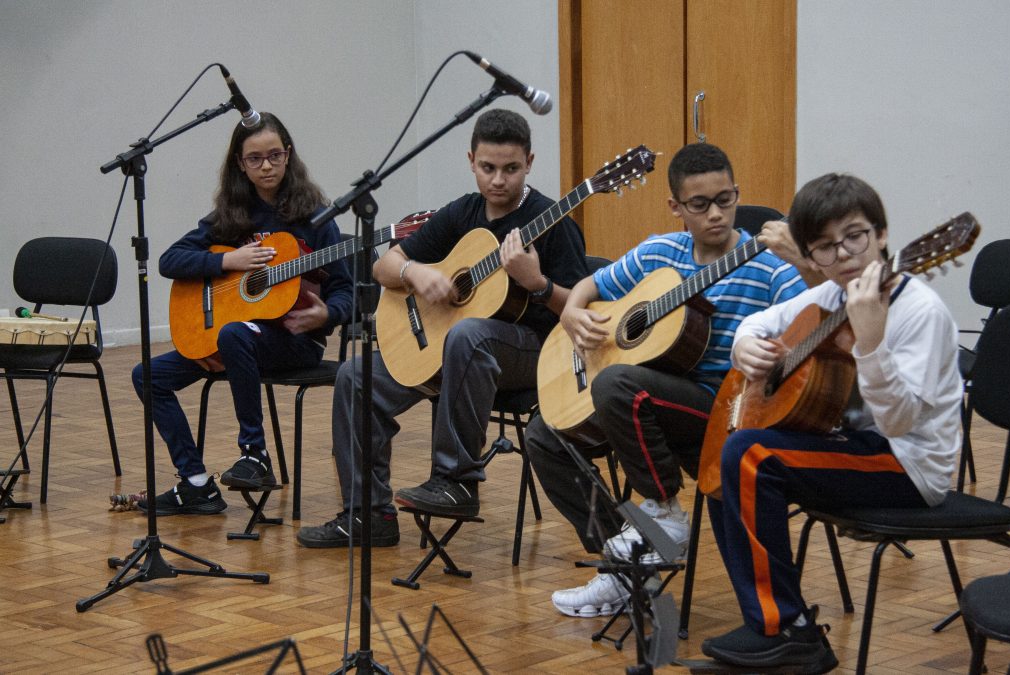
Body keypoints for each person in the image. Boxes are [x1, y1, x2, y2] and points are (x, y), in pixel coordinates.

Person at [525, 142, 808, 618]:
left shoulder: (770, 268)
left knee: (618, 383)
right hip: (651, 412)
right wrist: (573, 311)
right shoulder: (660, 252)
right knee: (545, 436)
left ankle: (661, 513)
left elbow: (807, 327)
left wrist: (806, 264)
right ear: (675, 207)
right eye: (699, 204)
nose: (716, 214)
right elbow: (592, 286)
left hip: (725, 416)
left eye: (726, 199)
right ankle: (626, 572)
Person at [700, 173, 963, 673]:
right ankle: (769, 622)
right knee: (721, 463)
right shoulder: (830, 299)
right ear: (811, 257)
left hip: (908, 467)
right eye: (824, 247)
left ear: (882, 236)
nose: (843, 255)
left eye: (855, 236)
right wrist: (746, 347)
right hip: (851, 445)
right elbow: (762, 322)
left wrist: (871, 343)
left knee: (750, 455)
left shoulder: (920, 311)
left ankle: (789, 632)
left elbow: (901, 422)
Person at [297, 108, 588, 548]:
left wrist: (537, 283)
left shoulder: (551, 221)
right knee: (355, 377)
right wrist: (416, 273)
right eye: (488, 168)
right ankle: (368, 514)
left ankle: (457, 482)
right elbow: (384, 265)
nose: (497, 180)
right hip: (456, 350)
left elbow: (578, 310)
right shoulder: (462, 213)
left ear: (530, 162)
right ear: (471, 160)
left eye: (511, 169)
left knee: (468, 334)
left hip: (533, 351)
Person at [133, 113, 352, 515]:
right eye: (255, 159)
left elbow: (345, 291)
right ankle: (197, 483)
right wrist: (230, 260)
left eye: (274, 155)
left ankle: (255, 454)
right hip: (237, 337)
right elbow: (169, 260)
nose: (266, 166)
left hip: (295, 341)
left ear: (288, 156)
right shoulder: (232, 215)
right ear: (240, 163)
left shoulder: (316, 218)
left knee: (234, 334)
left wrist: (328, 315)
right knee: (148, 376)